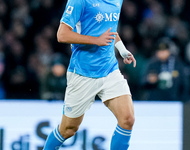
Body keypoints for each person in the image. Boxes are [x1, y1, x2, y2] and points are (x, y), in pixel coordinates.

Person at [43, 0, 136, 149]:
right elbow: (62, 34)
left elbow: (109, 28)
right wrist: (95, 41)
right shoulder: (79, 1)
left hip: (109, 70)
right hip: (82, 73)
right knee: (68, 130)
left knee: (128, 119)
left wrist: (122, 49)